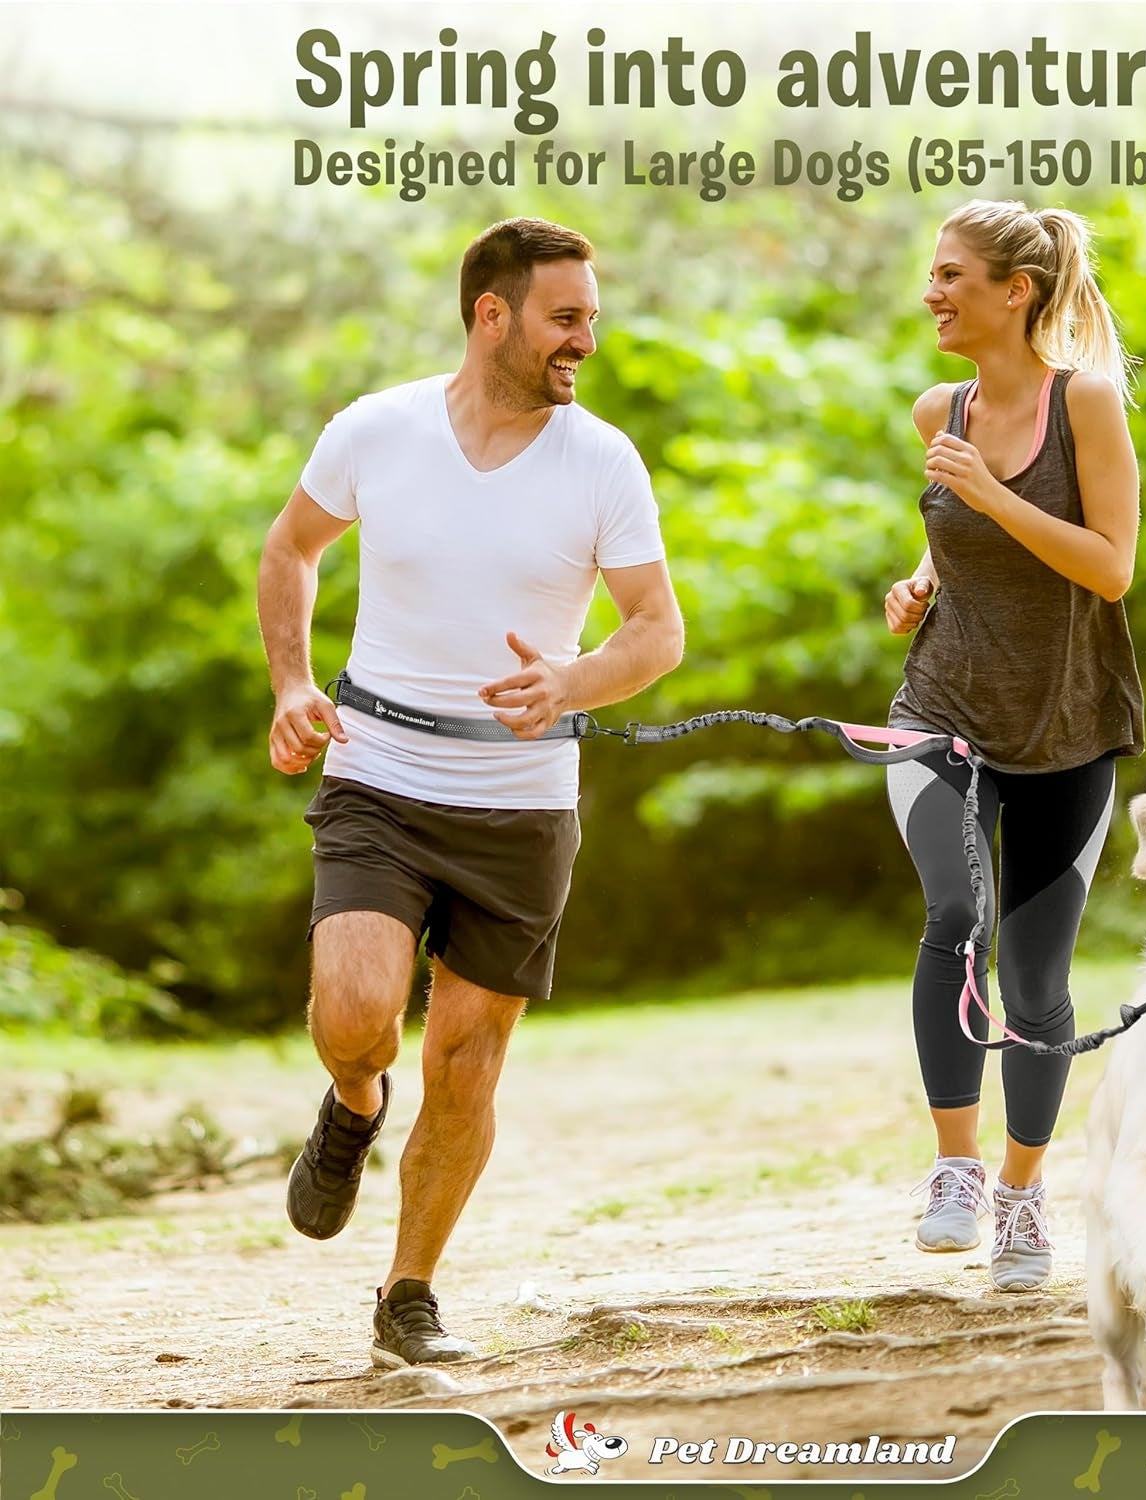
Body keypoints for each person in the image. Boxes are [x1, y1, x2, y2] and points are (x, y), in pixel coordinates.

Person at [256, 218, 684, 1365]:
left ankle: (409, 1294)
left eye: (590, 317)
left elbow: (656, 630)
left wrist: (574, 678)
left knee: (465, 1057)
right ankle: (353, 1101)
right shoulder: (378, 430)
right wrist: (293, 683)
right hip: (380, 774)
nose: (585, 339)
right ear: (491, 314)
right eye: (565, 317)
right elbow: (291, 549)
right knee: (355, 1014)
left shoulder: (602, 461)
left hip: (523, 804)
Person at [883, 200, 1144, 1291]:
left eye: (952, 275)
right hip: (943, 705)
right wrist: (922, 583)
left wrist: (991, 493)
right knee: (957, 916)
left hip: (1069, 722)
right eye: (933, 273)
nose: (933, 291)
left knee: (1037, 982)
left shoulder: (1085, 402)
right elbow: (956, 538)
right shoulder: (934, 408)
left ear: (1015, 290)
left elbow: (1111, 566)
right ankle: (955, 1170)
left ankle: (1025, 1196)